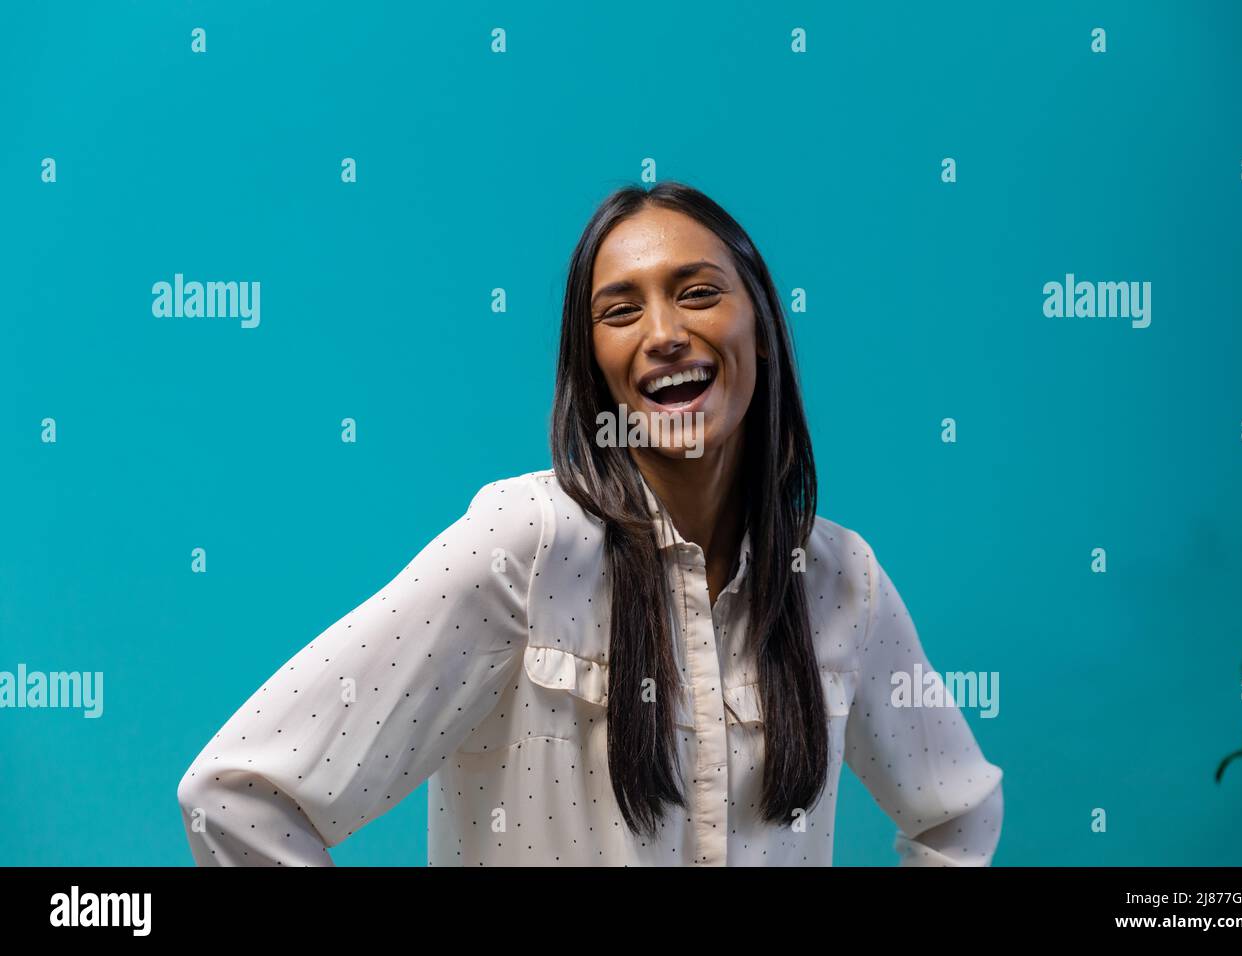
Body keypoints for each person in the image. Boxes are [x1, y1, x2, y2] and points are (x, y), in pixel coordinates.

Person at [176, 181, 1003, 866]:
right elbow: (239, 795)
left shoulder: (838, 583)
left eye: (698, 293)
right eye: (620, 312)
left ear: (762, 326)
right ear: (593, 369)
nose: (666, 335)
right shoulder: (521, 552)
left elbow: (957, 812)